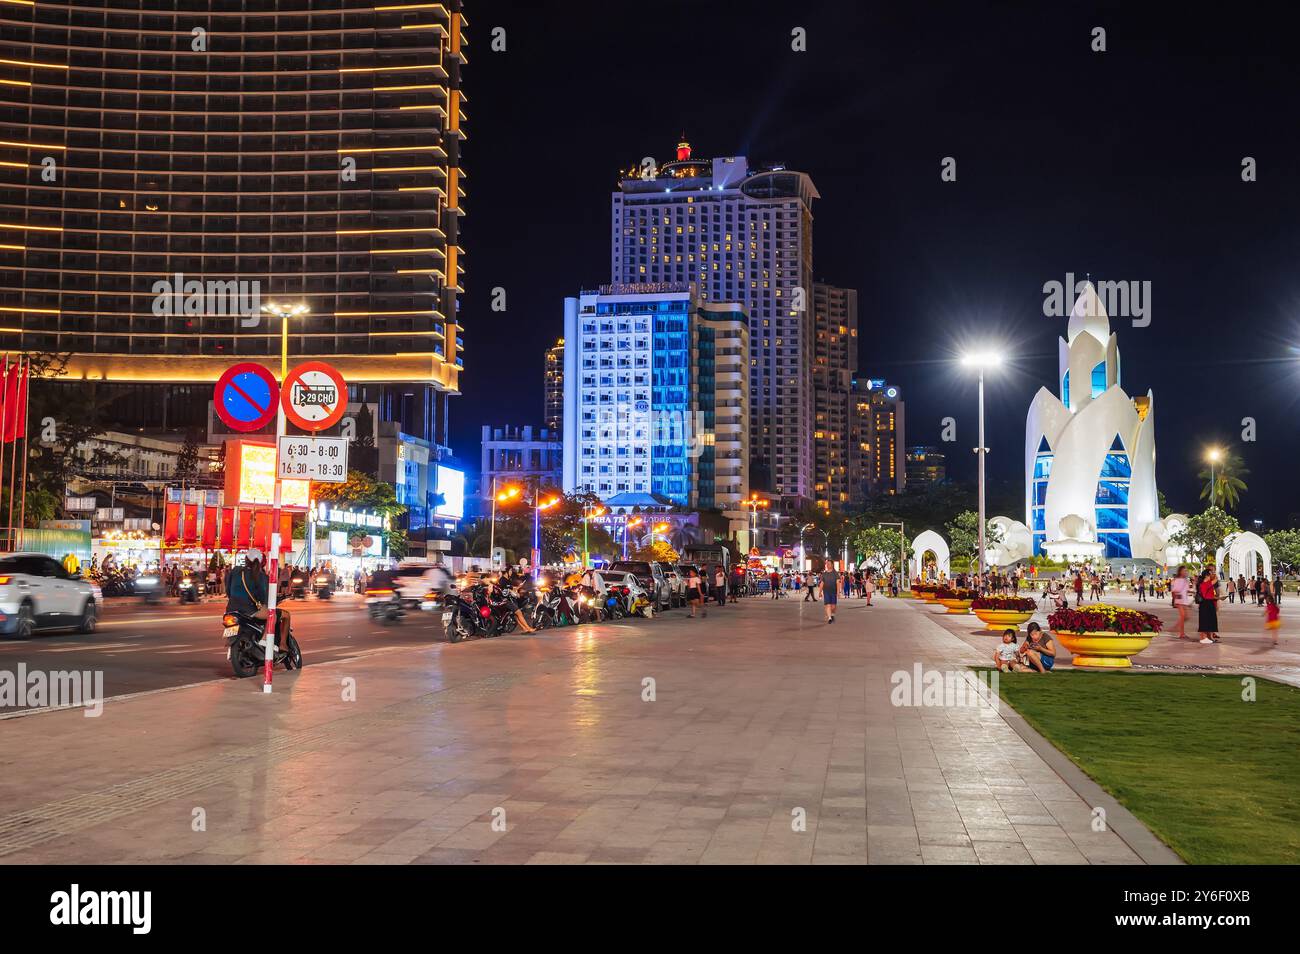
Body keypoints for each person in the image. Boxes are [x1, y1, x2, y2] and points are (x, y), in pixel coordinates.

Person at [1197, 567, 1220, 644]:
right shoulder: (1204, 584)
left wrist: (1218, 598)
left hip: (1210, 603)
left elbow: (1210, 594)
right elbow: (1216, 580)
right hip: (1205, 604)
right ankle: (1203, 638)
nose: (1212, 575)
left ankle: (1209, 637)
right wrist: (1214, 575)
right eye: (1211, 574)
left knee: (1210, 621)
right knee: (1205, 621)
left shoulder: (1208, 583)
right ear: (1207, 575)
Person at [1170, 566, 1191, 639]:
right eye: (1184, 571)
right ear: (1180, 571)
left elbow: (1186, 590)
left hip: (1184, 600)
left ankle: (1175, 627)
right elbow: (1174, 591)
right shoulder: (1177, 580)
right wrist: (1175, 601)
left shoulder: (1185, 580)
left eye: (1186, 571)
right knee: (1183, 616)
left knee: (1187, 617)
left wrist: (1193, 592)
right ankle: (1181, 633)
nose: (1186, 572)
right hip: (1180, 600)